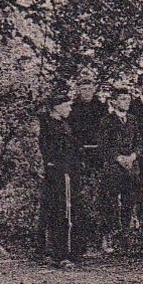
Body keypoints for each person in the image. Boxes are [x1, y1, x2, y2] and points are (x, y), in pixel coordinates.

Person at [39, 97, 84, 267]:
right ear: (57, 108)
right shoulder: (49, 126)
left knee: (69, 209)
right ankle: (59, 253)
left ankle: (68, 250)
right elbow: (51, 152)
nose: (70, 109)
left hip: (69, 172)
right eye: (66, 106)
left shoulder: (64, 125)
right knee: (60, 210)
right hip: (58, 173)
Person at [97, 91, 142, 251]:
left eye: (128, 99)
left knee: (129, 203)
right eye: (122, 99)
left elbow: (139, 142)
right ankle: (108, 237)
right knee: (110, 203)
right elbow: (103, 146)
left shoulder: (133, 120)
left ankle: (125, 238)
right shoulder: (106, 121)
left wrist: (133, 156)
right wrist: (118, 158)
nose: (126, 102)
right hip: (113, 168)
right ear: (114, 102)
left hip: (131, 168)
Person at [67, 78, 107, 253]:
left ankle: (99, 240)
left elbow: (106, 131)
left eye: (89, 89)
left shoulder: (101, 107)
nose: (87, 92)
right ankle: (80, 241)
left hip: (98, 157)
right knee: (81, 197)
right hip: (80, 156)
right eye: (83, 89)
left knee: (99, 197)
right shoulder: (73, 109)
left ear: (94, 90)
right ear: (79, 91)